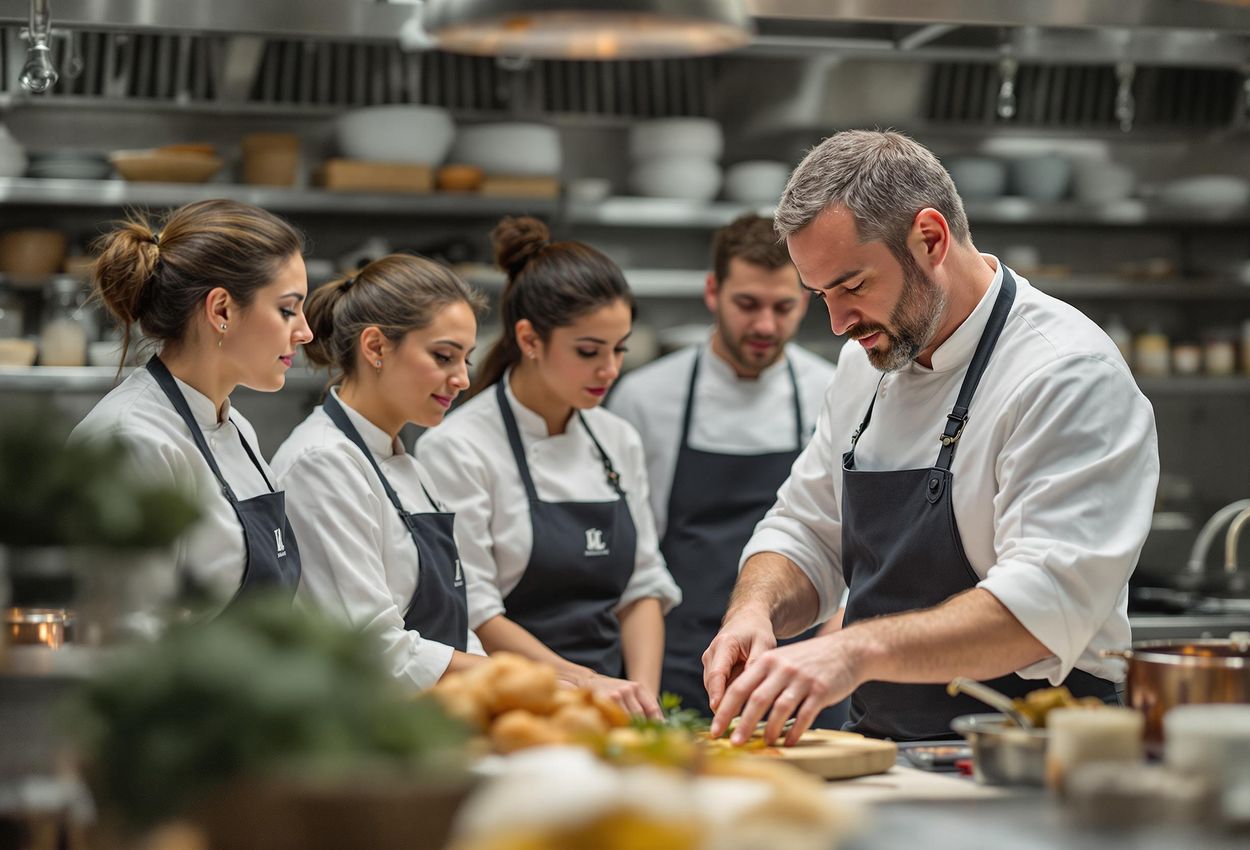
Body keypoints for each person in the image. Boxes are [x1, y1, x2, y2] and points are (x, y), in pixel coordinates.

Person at [703, 130, 1159, 746]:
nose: (837, 323)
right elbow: (806, 528)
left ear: (930, 239)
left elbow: (1041, 605)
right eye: (821, 296)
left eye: (852, 286)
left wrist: (851, 652)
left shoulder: (1065, 374)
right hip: (883, 749)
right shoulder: (865, 363)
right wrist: (752, 611)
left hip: (1029, 757)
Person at [418, 216, 681, 718]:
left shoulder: (616, 438)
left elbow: (643, 585)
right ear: (530, 339)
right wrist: (584, 685)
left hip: (605, 707)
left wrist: (640, 699)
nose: (610, 369)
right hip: (508, 706)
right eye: (588, 351)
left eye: (619, 349)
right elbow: (477, 610)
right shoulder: (458, 448)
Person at [609, 214, 835, 718]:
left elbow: (850, 534)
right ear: (713, 292)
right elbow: (632, 555)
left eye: (783, 307)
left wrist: (833, 646)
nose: (764, 326)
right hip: (678, 659)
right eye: (747, 305)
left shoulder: (835, 391)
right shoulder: (646, 399)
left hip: (797, 662)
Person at [72, 199, 313, 610]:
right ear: (221, 310)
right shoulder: (131, 440)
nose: (305, 333)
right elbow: (127, 637)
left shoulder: (235, 426)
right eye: (288, 310)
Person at [270, 255, 488, 689]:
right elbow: (372, 648)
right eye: (444, 356)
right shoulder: (322, 464)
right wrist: (512, 676)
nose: (462, 378)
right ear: (375, 347)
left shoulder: (407, 465)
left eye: (466, 359)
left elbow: (455, 627)